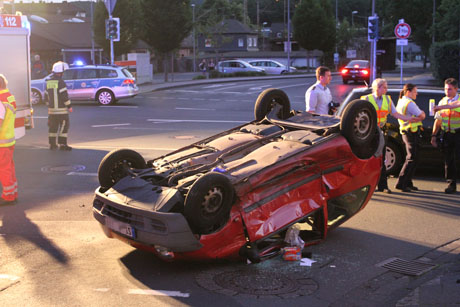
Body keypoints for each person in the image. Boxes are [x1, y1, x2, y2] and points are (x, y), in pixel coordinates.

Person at [361, 78, 416, 194]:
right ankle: (366, 186)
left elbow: (395, 114)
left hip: (381, 132)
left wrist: (409, 118)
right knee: (368, 160)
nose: (387, 89)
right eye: (385, 87)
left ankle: (383, 186)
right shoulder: (366, 99)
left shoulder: (387, 99)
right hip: (369, 133)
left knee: (381, 159)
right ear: (378, 88)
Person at [394, 83, 426, 192]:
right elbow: (421, 116)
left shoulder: (401, 101)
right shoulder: (410, 103)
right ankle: (401, 183)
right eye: (415, 91)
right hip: (411, 132)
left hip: (406, 132)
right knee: (412, 158)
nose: (416, 93)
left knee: (412, 157)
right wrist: (422, 114)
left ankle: (407, 182)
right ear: (408, 92)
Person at [431, 78, 460, 194]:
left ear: (456, 89)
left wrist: (440, 107)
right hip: (447, 134)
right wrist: (434, 135)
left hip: (458, 133)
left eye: (450, 89)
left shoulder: (458, 100)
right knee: (449, 161)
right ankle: (451, 184)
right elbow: (438, 121)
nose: (447, 92)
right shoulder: (443, 101)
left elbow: (455, 105)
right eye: (445, 89)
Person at [45, 61, 73, 151]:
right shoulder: (61, 82)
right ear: (61, 72)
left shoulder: (48, 81)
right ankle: (62, 144)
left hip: (51, 111)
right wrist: (69, 106)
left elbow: (46, 95)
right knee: (64, 126)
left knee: (52, 127)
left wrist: (49, 105)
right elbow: (64, 95)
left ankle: (52, 145)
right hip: (61, 111)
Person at [0, 74, 18, 205]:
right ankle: (13, 193)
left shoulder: (0, 100)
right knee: (9, 168)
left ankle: (8, 196)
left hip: (2, 142)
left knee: (4, 169)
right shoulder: (9, 96)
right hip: (9, 139)